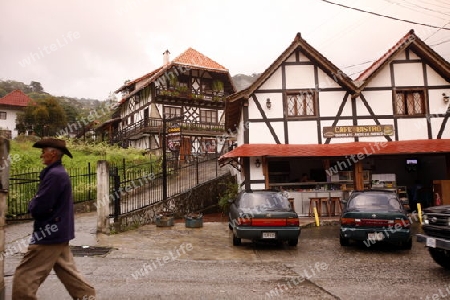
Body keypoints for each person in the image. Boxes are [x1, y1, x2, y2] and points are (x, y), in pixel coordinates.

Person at [12, 138, 96, 300]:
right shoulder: (57, 173)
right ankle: (88, 297)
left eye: (43, 152)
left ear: (53, 153)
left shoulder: (55, 175)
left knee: (24, 277)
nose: (41, 155)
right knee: (70, 274)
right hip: (58, 232)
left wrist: (32, 204)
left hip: (48, 234)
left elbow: (40, 206)